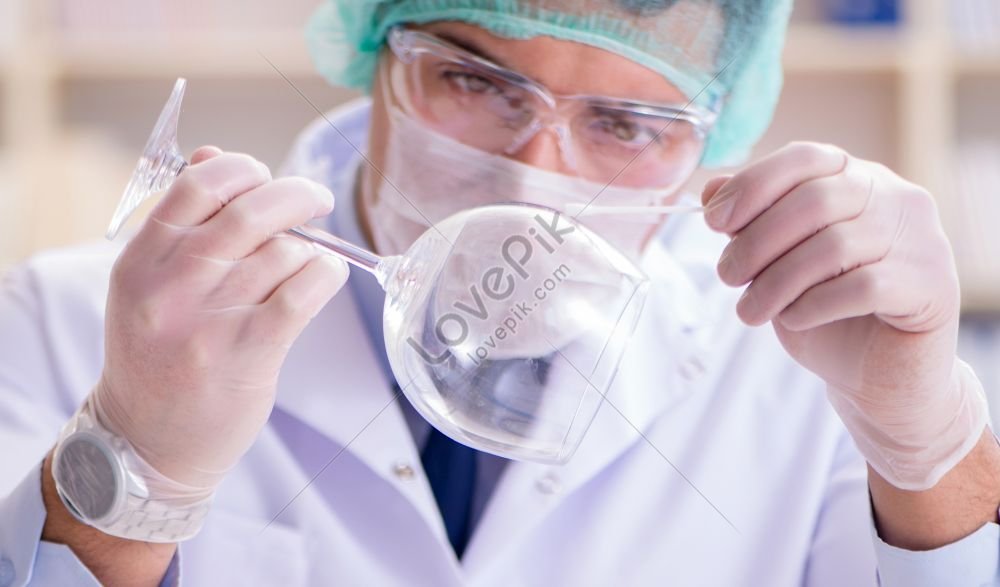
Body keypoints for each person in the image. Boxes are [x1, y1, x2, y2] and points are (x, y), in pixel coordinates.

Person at [1, 1, 999, 585]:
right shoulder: (64, 320)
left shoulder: (797, 364)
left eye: (626, 123)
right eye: (475, 84)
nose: (533, 171)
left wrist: (924, 436)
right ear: (377, 52)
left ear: (711, 140)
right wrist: (133, 464)